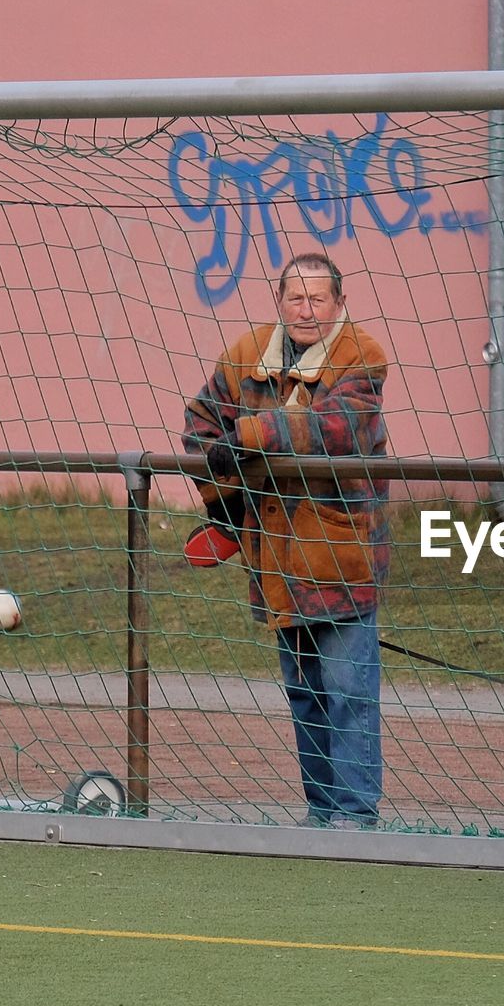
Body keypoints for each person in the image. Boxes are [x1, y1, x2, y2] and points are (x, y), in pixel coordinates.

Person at [183, 251, 390, 829]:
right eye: (295, 298)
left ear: (339, 303)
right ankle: (322, 811)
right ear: (280, 301)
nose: (306, 309)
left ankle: (354, 815)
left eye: (317, 299)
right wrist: (226, 511)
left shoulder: (363, 355)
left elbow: (337, 427)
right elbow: (200, 426)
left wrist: (248, 435)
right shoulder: (242, 355)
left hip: (342, 554)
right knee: (306, 695)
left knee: (349, 692)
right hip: (273, 557)